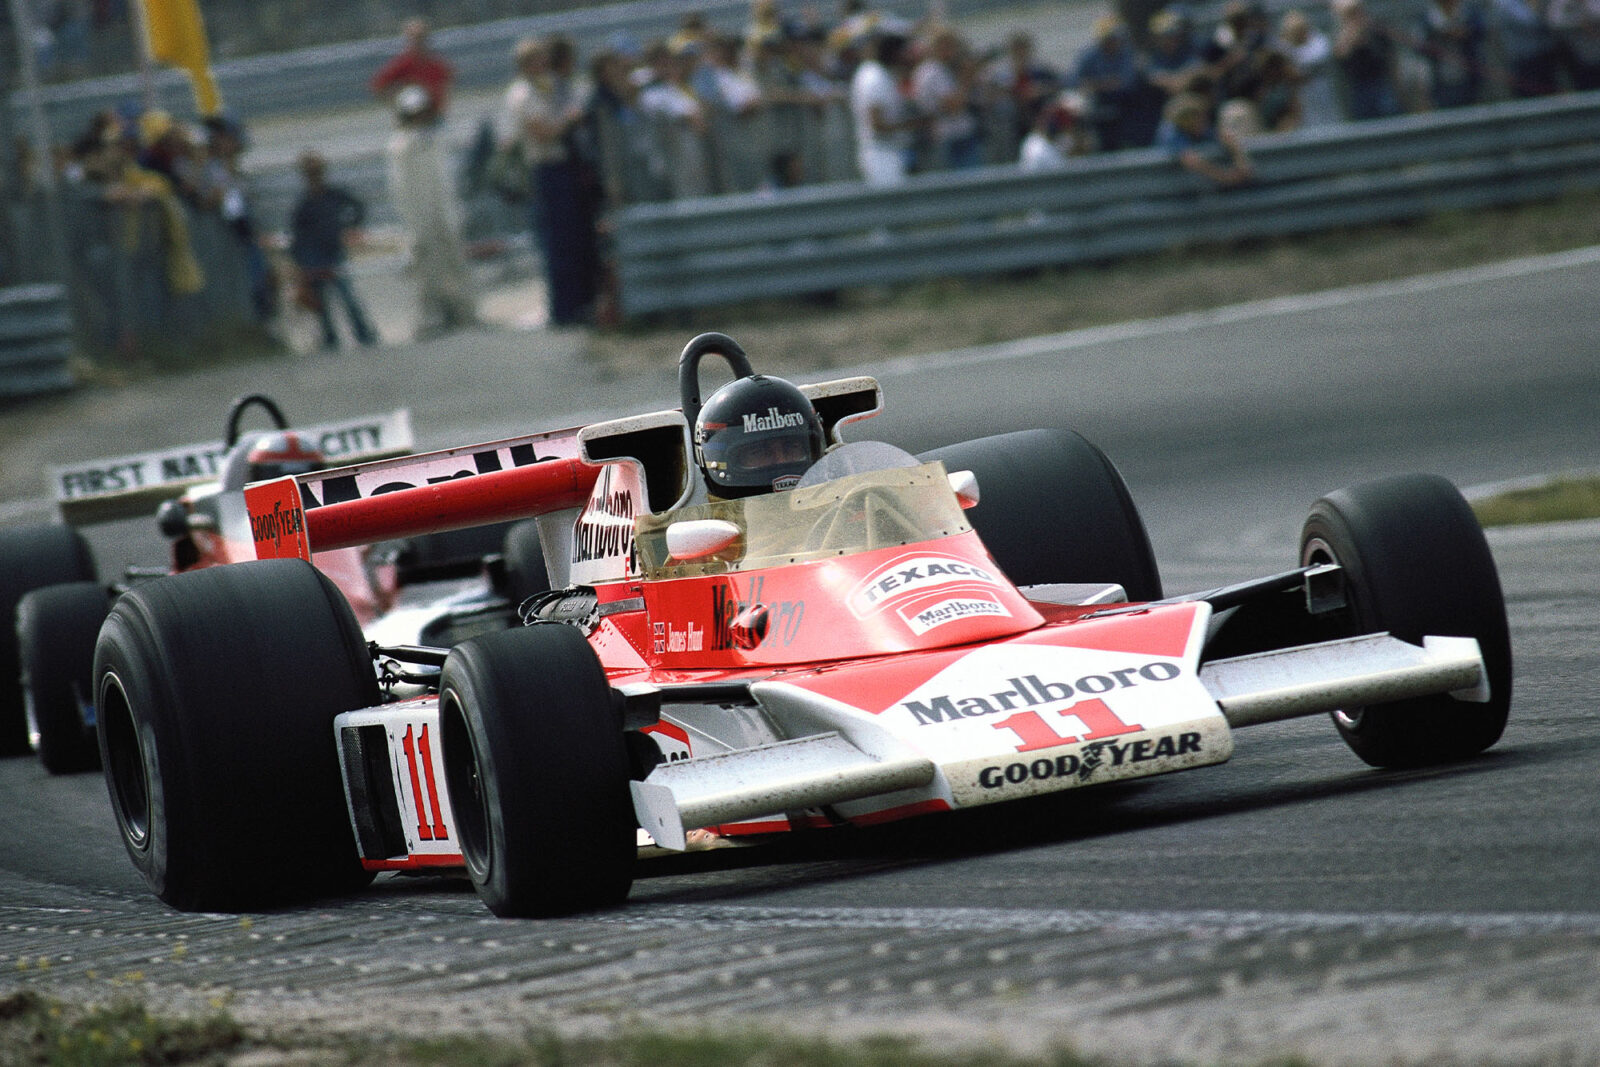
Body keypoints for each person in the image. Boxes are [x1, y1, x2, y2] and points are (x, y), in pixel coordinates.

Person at [502, 35, 601, 327]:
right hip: (547, 170)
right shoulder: (522, 94)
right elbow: (542, 131)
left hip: (566, 166)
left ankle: (581, 303)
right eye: (536, 60)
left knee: (576, 239)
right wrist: (568, 121)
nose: (543, 65)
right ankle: (563, 309)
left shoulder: (547, 87)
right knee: (559, 242)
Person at [385, 85, 479, 338]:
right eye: (414, 113)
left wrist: (453, 211)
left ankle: (464, 312)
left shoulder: (438, 138)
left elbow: (448, 180)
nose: (419, 117)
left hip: (444, 212)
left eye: (422, 112)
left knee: (455, 260)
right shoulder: (400, 147)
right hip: (420, 216)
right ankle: (430, 317)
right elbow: (402, 189)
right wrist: (415, 221)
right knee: (426, 266)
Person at [287, 151, 377, 350]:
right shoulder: (304, 205)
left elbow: (358, 207)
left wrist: (352, 227)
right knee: (323, 303)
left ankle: (363, 334)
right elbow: (298, 237)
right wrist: (301, 265)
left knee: (347, 296)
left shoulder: (333, 194)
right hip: (314, 258)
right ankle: (331, 338)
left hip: (334, 253)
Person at [693, 375, 826, 499]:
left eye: (792, 447)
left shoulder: (839, 495)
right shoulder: (706, 523)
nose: (781, 461)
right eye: (760, 452)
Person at [850, 33, 918, 184]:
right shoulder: (874, 77)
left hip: (890, 151)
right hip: (881, 155)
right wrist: (917, 124)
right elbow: (877, 125)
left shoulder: (881, 73)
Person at [1154, 91, 1255, 186]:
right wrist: (1225, 177)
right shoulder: (1171, 133)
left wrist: (1242, 164)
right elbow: (1191, 160)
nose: (1201, 120)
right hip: (1166, 184)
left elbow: (1226, 137)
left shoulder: (1200, 125)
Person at [371, 18, 453, 124]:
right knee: (414, 94)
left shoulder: (437, 65)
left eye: (422, 38)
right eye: (415, 38)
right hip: (408, 124)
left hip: (434, 120)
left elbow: (446, 88)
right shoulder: (401, 64)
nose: (419, 42)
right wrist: (397, 99)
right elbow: (378, 86)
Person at [1332, 0, 1404, 119]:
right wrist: (1352, 33)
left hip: (1381, 81)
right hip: (1359, 87)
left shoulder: (1374, 28)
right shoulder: (1341, 35)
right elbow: (1341, 54)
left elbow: (1389, 56)